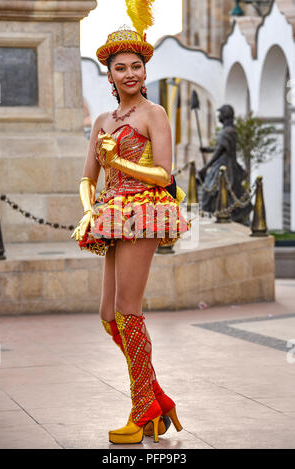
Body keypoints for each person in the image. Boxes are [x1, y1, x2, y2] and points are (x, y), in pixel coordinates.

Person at [71, 26, 191, 444]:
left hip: (144, 212)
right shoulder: (103, 120)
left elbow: (163, 173)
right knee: (108, 316)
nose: (129, 74)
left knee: (128, 309)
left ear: (145, 69)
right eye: (120, 68)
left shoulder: (153, 114)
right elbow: (87, 177)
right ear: (109, 75)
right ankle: (155, 396)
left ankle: (143, 411)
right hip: (111, 214)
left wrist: (117, 163)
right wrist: (90, 212)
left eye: (135, 66)